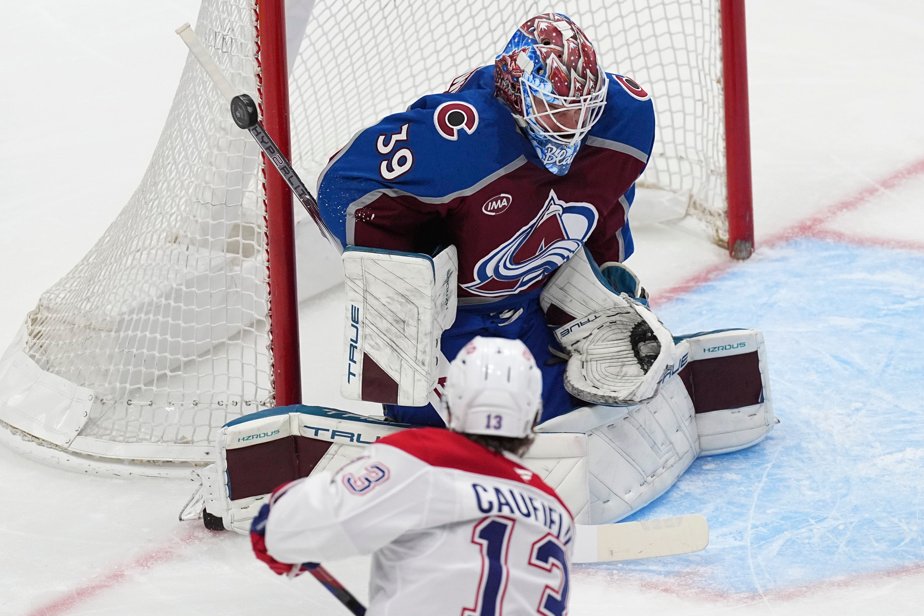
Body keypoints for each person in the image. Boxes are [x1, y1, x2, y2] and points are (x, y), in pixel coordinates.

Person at [317, 12, 656, 427]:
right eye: (554, 110)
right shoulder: (459, 139)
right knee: (484, 430)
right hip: (454, 320)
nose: (572, 127)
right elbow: (341, 188)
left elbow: (610, 188)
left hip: (536, 303)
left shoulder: (626, 119)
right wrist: (399, 283)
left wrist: (606, 267)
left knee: (601, 398)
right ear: (516, 94)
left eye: (581, 110)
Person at [250, 337, 574, 615]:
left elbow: (289, 531)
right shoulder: (556, 509)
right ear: (533, 413)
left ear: (450, 402)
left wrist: (278, 521)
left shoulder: (424, 457)